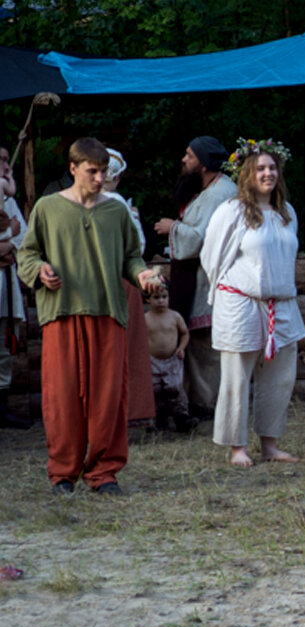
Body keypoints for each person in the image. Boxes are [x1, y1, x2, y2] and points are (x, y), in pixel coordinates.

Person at [16, 137, 161, 494]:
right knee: (62, 397)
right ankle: (63, 473)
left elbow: (131, 257)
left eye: (103, 172)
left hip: (108, 311)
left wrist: (142, 275)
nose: (99, 179)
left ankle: (103, 473)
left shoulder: (116, 211)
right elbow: (27, 254)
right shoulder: (48, 209)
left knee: (108, 397)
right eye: (92, 172)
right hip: (62, 313)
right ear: (73, 169)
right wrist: (40, 271)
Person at [200, 140, 305, 467]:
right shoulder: (231, 211)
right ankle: (236, 447)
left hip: (282, 304)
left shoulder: (287, 213)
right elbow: (211, 257)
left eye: (272, 167)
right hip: (241, 303)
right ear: (247, 172)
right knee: (236, 376)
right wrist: (228, 293)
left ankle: (270, 445)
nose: (267, 173)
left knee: (280, 377)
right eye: (260, 168)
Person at [153, 136, 237, 415]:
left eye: (189, 155)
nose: (184, 159)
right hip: (198, 278)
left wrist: (173, 228)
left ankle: (209, 404)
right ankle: (201, 401)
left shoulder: (219, 193)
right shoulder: (210, 189)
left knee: (206, 346)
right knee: (201, 346)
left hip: (210, 280)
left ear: (203, 163)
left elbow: (201, 239)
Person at [103, 147, 157, 429]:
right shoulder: (117, 203)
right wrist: (134, 218)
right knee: (123, 348)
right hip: (121, 281)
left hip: (97, 282)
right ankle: (128, 411)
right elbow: (137, 246)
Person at [0, 144, 32, 428]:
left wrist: (7, 241)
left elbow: (22, 239)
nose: (7, 167)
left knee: (4, 350)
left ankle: (2, 407)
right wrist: (8, 233)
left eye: (8, 161)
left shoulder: (8, 201)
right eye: (1, 161)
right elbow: (13, 230)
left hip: (5, 286)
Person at [144, 284, 194, 432]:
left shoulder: (175, 316)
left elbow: (185, 333)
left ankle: (182, 417)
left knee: (175, 387)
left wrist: (181, 348)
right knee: (156, 388)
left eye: (164, 297)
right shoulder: (145, 318)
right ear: (148, 300)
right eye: (156, 297)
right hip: (152, 360)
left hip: (172, 359)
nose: (161, 301)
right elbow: (139, 337)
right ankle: (159, 417)